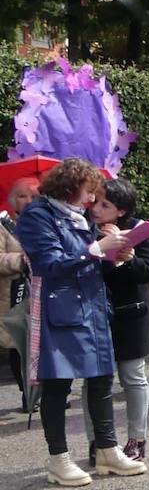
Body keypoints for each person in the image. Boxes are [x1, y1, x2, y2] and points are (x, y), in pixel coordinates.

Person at [15, 157, 145, 486]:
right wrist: (96, 249)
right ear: (71, 187)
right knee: (58, 384)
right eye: (88, 192)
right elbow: (49, 263)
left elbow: (89, 261)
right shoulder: (37, 215)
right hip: (59, 309)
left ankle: (107, 450)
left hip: (92, 307)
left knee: (102, 378)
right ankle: (58, 459)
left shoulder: (77, 216)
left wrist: (117, 256)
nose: (91, 200)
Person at [84, 178, 149, 463]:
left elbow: (148, 272)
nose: (96, 209)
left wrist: (128, 259)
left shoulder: (139, 231)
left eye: (105, 205)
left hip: (131, 312)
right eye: (95, 202)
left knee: (132, 376)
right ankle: (98, 442)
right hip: (95, 314)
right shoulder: (85, 230)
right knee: (94, 380)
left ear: (122, 211)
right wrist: (102, 247)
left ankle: (137, 441)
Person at [0, 176, 36, 410]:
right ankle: (27, 393)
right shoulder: (4, 226)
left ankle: (46, 391)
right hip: (13, 293)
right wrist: (19, 260)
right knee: (18, 342)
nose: (29, 201)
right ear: (13, 200)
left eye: (34, 196)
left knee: (41, 343)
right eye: (23, 195)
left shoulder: (45, 224)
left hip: (40, 291)